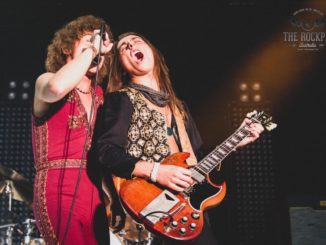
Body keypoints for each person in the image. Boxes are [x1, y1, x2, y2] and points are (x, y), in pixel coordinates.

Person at [96, 32, 264, 245]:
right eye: (123, 48)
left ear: (152, 51)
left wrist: (235, 141)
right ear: (120, 64)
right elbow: (106, 152)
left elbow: (198, 158)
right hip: (149, 208)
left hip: (188, 207)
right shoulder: (121, 99)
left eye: (136, 41)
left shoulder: (179, 107)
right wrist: (157, 171)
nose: (131, 46)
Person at [31, 15, 114, 244]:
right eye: (88, 41)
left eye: (99, 45)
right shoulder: (46, 79)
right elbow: (57, 87)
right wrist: (91, 51)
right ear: (67, 48)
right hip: (58, 186)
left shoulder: (101, 97)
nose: (96, 49)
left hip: (95, 192)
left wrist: (113, 198)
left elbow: (103, 153)